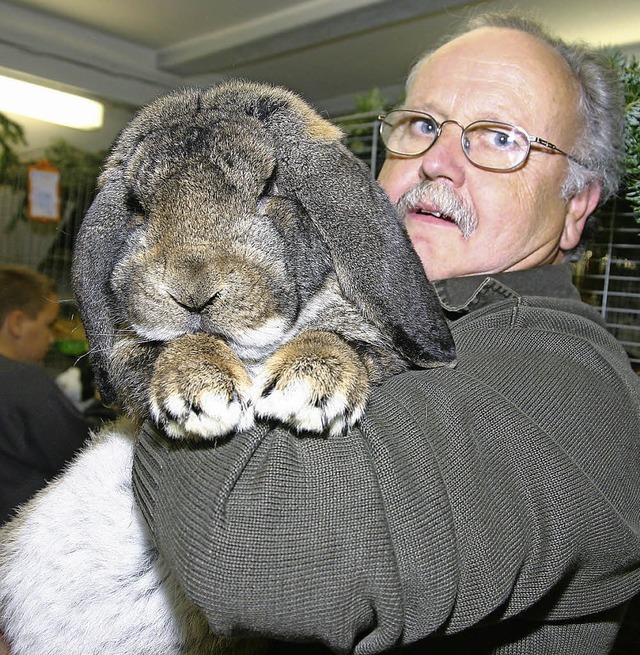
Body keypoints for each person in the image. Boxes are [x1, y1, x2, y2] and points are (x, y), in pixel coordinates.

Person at [128, 11, 640, 654]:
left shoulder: (567, 376)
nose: (438, 161)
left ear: (575, 208)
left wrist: (208, 307)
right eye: (422, 125)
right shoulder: (352, 304)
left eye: (501, 138)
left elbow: (266, 553)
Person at [0, 264, 91, 525]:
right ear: (17, 323)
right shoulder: (25, 382)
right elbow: (78, 454)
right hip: (21, 532)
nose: (51, 339)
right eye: (48, 325)